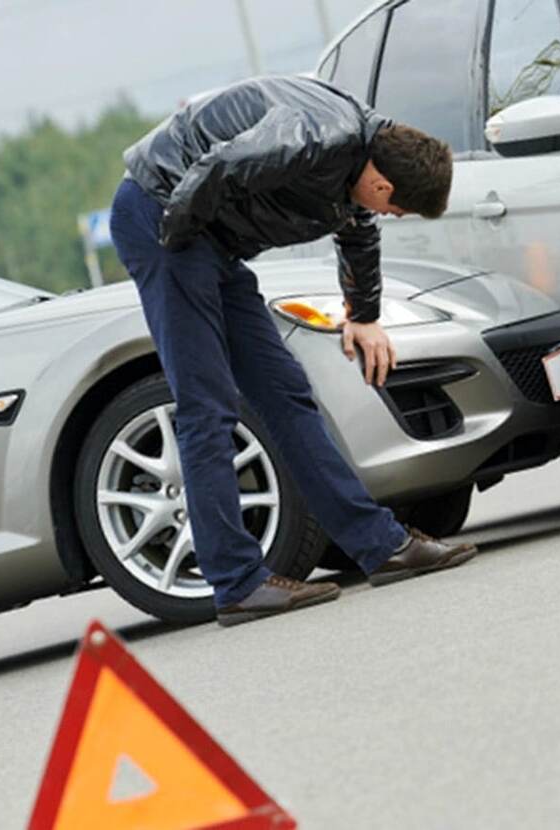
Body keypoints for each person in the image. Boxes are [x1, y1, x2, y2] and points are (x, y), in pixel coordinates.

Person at [109, 75, 476, 627]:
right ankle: (237, 582)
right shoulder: (311, 138)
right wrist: (180, 253)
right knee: (207, 403)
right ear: (382, 184)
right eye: (397, 209)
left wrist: (365, 316)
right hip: (165, 219)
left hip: (209, 237)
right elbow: (217, 168)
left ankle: (380, 546)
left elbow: (357, 228)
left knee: (286, 391)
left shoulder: (365, 151)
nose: (389, 216)